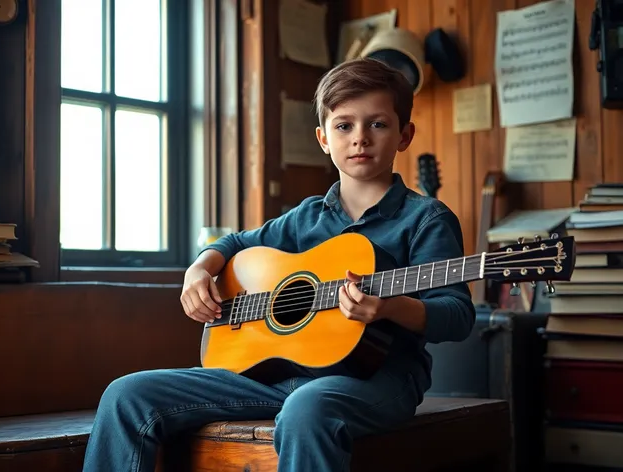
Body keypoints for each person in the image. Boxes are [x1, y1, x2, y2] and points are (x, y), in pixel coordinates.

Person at [81, 57, 475, 472]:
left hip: (377, 380)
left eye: (377, 124)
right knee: (127, 394)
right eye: (344, 126)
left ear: (404, 134)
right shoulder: (306, 217)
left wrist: (390, 307)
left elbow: (457, 314)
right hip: (271, 376)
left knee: (308, 407)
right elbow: (233, 243)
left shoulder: (426, 219)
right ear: (324, 138)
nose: (360, 138)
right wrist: (198, 268)